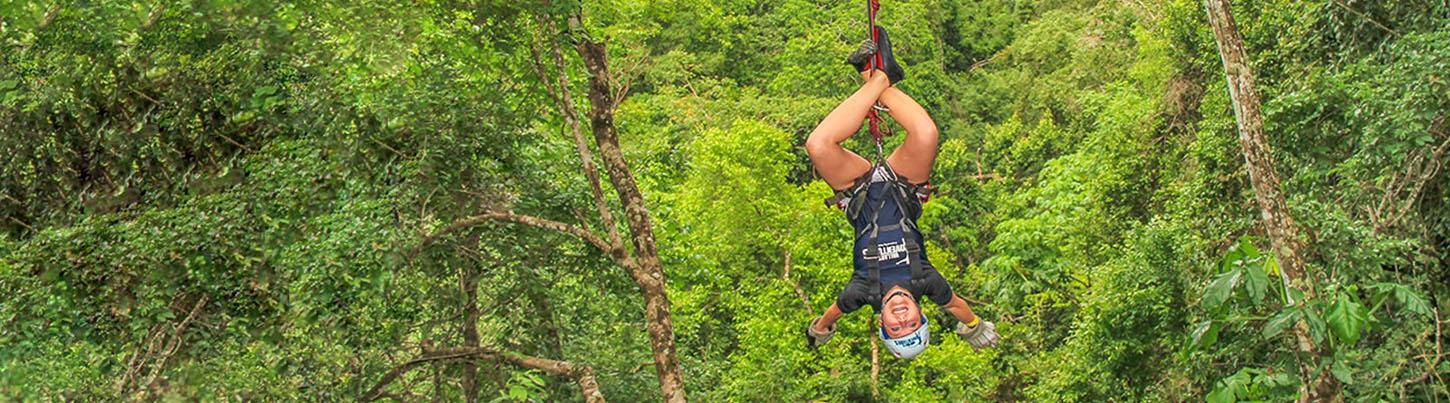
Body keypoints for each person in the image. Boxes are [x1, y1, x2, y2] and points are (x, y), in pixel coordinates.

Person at [802, 26, 999, 359]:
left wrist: (819, 330)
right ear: (921, 314)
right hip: (903, 188)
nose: (903, 318)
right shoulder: (927, 284)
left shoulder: (861, 292)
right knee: (925, 133)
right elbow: (957, 305)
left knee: (818, 145)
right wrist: (974, 327)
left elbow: (831, 314)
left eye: (895, 328)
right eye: (913, 324)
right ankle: (877, 78)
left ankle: (875, 78)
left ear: (882, 321)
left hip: (858, 191)